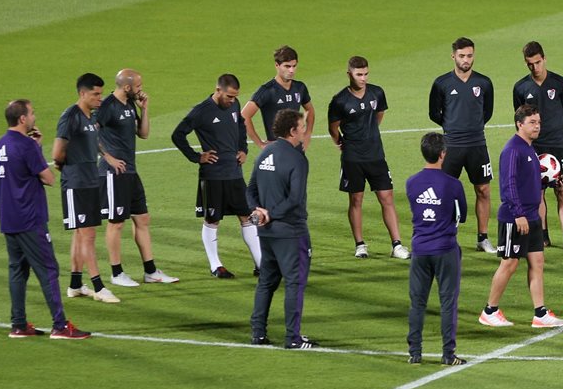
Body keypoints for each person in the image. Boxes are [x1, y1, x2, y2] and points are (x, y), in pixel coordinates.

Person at [0, 99, 87, 339]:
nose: (35, 117)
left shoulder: (1, 143)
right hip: (30, 219)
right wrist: (36, 148)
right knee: (48, 270)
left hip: (9, 218)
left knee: (17, 270)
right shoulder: (26, 146)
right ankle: (60, 326)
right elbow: (48, 178)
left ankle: (18, 324)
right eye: (32, 114)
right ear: (23, 119)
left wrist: (33, 147)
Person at [478, 105, 563, 329]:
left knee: (537, 262)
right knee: (509, 263)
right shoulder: (513, 149)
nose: (537, 126)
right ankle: (489, 310)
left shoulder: (529, 148)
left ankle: (540, 313)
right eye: (532, 122)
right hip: (514, 218)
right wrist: (518, 214)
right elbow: (508, 185)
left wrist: (554, 181)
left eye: (538, 122)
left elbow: (530, 181)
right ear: (520, 124)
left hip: (532, 216)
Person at [171, 74, 262, 278]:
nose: (232, 100)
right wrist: (196, 157)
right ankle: (216, 265)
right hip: (212, 175)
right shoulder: (201, 111)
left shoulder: (235, 104)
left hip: (234, 173)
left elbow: (240, 125)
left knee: (246, 216)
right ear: (218, 90)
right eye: (229, 96)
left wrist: (242, 148)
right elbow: (177, 134)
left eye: (234, 97)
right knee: (212, 219)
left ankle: (261, 264)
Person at [96, 68, 178, 288]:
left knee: (142, 219)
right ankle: (116, 273)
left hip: (130, 171)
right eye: (138, 86)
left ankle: (150, 271)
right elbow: (90, 132)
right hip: (113, 173)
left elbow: (143, 134)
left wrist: (145, 109)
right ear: (127, 87)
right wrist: (108, 158)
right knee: (116, 223)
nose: (141, 89)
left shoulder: (130, 104)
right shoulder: (107, 106)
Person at [327, 55, 409, 260]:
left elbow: (379, 115)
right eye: (358, 74)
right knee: (356, 199)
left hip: (376, 155)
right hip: (352, 158)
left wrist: (369, 132)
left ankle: (397, 244)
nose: (363, 78)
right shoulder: (339, 101)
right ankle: (360, 244)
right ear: (349, 74)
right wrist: (341, 142)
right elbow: (333, 127)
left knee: (387, 198)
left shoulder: (377, 93)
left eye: (365, 74)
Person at [247, 110, 315, 349]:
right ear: (293, 131)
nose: (305, 129)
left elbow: (250, 188)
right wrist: (272, 213)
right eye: (302, 125)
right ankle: (293, 338)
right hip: (291, 232)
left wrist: (259, 212)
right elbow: (295, 199)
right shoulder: (297, 159)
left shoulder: (265, 153)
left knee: (266, 282)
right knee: (294, 284)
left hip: (266, 232)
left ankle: (258, 334)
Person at [53, 73, 119, 304]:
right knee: (87, 234)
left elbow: (94, 140)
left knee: (80, 235)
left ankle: (74, 284)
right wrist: (70, 169)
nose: (100, 98)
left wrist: (106, 156)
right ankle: (99, 286)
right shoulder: (70, 116)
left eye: (101, 93)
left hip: (90, 181)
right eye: (95, 94)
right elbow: (57, 153)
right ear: (82, 93)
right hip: (76, 184)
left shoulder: (90, 116)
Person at [405, 132, 469, 365]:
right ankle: (448, 354)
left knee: (417, 303)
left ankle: (415, 353)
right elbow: (461, 216)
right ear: (443, 154)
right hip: (445, 249)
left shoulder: (411, 183)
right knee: (448, 303)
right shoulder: (453, 184)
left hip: (420, 250)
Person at [429, 37, 496, 253]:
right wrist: (452, 127)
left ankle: (483, 238)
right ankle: (446, 238)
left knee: (483, 190)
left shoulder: (484, 83)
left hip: (477, 144)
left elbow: (487, 112)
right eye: (461, 56)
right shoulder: (442, 83)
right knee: (446, 191)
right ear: (453, 56)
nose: (466, 60)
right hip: (451, 146)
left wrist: (472, 127)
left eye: (469, 55)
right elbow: (434, 113)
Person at [513, 41, 563, 252]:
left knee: (562, 189)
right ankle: (543, 236)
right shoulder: (521, 87)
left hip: (557, 145)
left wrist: (553, 127)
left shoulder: (560, 83)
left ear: (544, 59)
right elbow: (519, 117)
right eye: (530, 64)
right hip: (534, 147)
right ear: (526, 63)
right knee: (537, 191)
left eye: (538, 62)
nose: (535, 67)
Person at [241, 45, 315, 150]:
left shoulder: (300, 88)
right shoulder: (267, 90)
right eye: (287, 66)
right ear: (277, 65)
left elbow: (310, 109)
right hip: (276, 149)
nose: (292, 70)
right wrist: (260, 144)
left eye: (294, 66)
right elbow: (244, 116)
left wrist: (308, 134)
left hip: (296, 147)